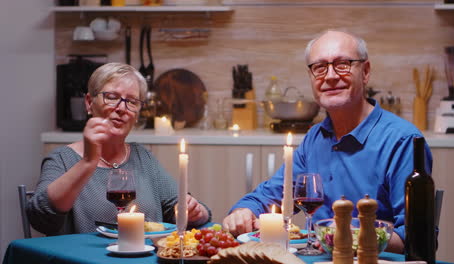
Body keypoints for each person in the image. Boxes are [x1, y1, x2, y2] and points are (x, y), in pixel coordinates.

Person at [222, 30, 432, 253]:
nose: (330, 76)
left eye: (343, 64)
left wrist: (351, 235)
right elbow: (271, 195)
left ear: (366, 72)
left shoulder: (402, 141)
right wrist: (244, 211)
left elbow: (414, 238)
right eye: (320, 67)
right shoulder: (315, 138)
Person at [27, 63, 211, 235]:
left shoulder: (142, 157)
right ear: (89, 103)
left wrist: (196, 212)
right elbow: (41, 218)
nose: (122, 108)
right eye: (112, 97)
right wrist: (88, 162)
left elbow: (179, 208)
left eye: (132, 102)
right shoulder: (62, 159)